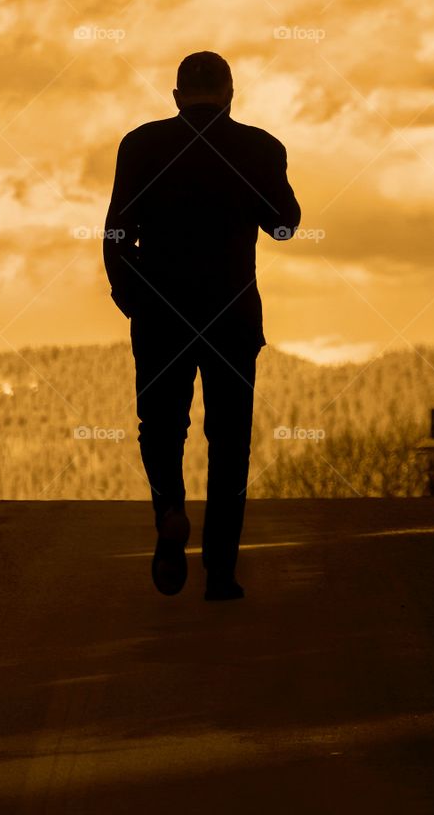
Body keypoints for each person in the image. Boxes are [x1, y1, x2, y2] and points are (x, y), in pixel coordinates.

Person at [103, 51, 301, 601]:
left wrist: (131, 297)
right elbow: (283, 226)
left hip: (160, 311)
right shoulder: (259, 147)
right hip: (232, 314)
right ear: (231, 95)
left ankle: (169, 508)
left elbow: (116, 231)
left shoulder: (140, 145)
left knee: (161, 428)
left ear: (175, 97)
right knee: (230, 439)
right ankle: (220, 571)